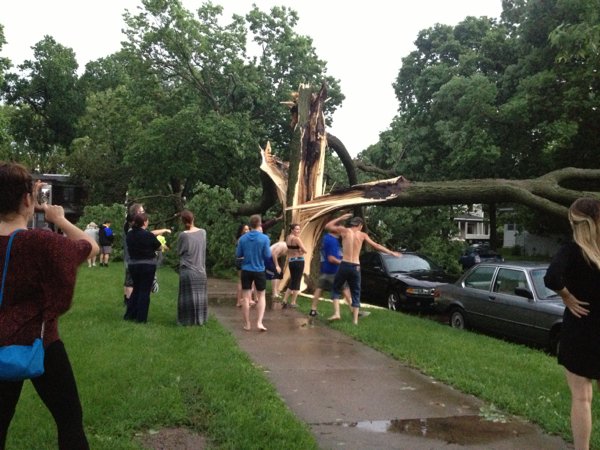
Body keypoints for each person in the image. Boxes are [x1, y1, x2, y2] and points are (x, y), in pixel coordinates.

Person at [0, 161, 99, 449]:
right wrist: (60, 219)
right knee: (69, 422)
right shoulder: (42, 243)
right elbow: (89, 247)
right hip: (42, 343)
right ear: (28, 199)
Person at [544, 197, 600, 450]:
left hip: (580, 328)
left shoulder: (573, 249)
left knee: (582, 398)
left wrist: (567, 297)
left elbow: (552, 277)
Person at [325, 213, 401, 324]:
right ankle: (355, 321)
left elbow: (328, 226)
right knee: (356, 292)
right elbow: (376, 246)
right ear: (360, 225)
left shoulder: (344, 231)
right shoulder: (362, 235)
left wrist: (340, 218)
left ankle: (337, 313)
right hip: (356, 266)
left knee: (336, 289)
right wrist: (391, 253)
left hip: (344, 264)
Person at [122, 203, 170, 306]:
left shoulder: (131, 225)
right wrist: (163, 232)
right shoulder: (132, 226)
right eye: (142, 211)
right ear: (137, 213)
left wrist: (163, 230)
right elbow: (148, 235)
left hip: (131, 259)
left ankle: (128, 301)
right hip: (134, 259)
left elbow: (147, 234)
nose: (144, 213)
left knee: (129, 281)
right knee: (131, 282)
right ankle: (130, 303)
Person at [123, 212, 161, 323]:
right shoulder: (148, 235)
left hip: (133, 265)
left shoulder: (130, 234)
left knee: (136, 290)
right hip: (147, 265)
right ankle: (141, 318)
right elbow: (158, 247)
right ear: (144, 222)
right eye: (147, 220)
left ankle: (129, 315)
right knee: (144, 291)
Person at [235, 215, 271, 331]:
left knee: (245, 298)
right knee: (261, 296)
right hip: (259, 270)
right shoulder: (264, 238)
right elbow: (268, 255)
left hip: (246, 269)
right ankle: (259, 322)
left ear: (250, 225)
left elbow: (238, 254)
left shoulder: (243, 238)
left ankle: (247, 324)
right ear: (259, 224)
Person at [309, 230, 353, 318]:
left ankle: (313, 310)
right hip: (334, 271)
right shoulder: (332, 241)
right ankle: (352, 310)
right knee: (344, 289)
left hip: (325, 270)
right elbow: (331, 259)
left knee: (319, 289)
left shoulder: (327, 240)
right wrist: (343, 263)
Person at [177, 210, 208, 326]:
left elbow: (180, 251)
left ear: (182, 221)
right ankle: (200, 320)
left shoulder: (183, 235)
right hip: (201, 270)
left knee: (187, 298)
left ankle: (186, 321)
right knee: (200, 298)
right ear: (193, 218)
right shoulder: (203, 232)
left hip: (188, 270)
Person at [281, 223, 308, 308]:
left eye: (299, 229)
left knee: (293, 280)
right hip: (299, 261)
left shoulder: (288, 237)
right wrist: (301, 251)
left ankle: (284, 300)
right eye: (296, 229)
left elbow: (289, 249)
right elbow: (305, 250)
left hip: (291, 261)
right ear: (292, 230)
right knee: (297, 281)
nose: (298, 231)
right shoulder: (297, 239)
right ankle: (293, 302)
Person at [235, 223, 250, 307]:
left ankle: (239, 301)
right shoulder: (245, 239)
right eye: (245, 229)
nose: (247, 231)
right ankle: (245, 300)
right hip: (243, 261)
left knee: (241, 281)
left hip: (238, 260)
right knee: (246, 281)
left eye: (248, 229)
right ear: (242, 231)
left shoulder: (239, 239)